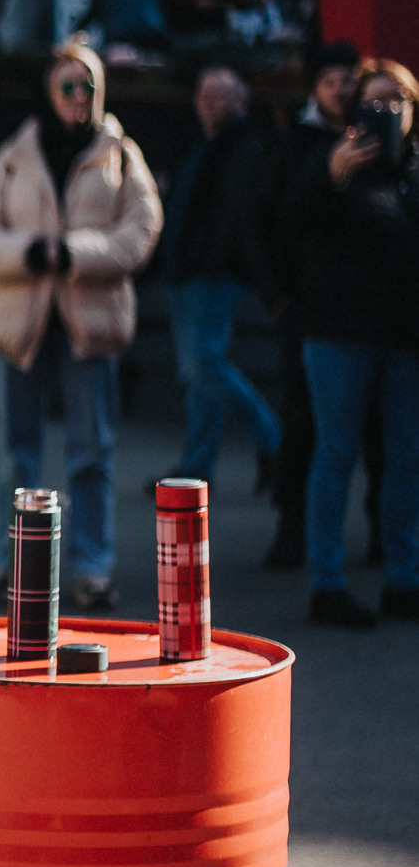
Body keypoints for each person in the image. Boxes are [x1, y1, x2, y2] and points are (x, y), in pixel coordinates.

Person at [0, 42, 163, 610]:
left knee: (91, 452)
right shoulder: (16, 152)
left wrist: (75, 253)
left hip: (89, 322)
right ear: (47, 92)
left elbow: (142, 231)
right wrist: (30, 252)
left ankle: (91, 566)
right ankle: (12, 563)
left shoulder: (119, 153)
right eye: (68, 86)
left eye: (88, 86)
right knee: (16, 455)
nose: (79, 97)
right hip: (20, 322)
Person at [278, 57, 419, 629]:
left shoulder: (414, 171)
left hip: (406, 338)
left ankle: (404, 579)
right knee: (336, 454)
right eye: (373, 102)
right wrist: (329, 175)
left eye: (396, 102)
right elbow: (289, 223)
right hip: (339, 334)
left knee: (406, 459)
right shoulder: (332, 160)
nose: (385, 112)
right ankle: (327, 584)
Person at [266, 41, 379, 572]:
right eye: (330, 81)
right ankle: (292, 528)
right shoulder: (296, 143)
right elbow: (274, 219)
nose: (340, 89)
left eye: (347, 80)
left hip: (377, 307)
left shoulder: (380, 140)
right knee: (305, 423)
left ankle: (382, 533)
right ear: (314, 88)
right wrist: (277, 297)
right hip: (309, 306)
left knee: (381, 430)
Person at [155, 67, 281, 492]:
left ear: (240, 102)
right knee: (198, 377)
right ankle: (196, 466)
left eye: (219, 95)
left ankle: (273, 440)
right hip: (184, 272)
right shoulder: (199, 146)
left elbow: (237, 214)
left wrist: (208, 259)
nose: (208, 102)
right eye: (203, 94)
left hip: (211, 274)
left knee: (204, 365)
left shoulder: (244, 148)